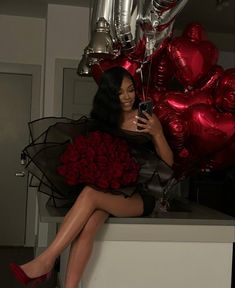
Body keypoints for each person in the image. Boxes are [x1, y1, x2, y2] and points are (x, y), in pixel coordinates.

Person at [10, 66, 174, 288]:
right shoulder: (104, 122)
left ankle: (46, 260)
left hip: (140, 196)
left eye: (130, 90)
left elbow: (168, 164)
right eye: (119, 92)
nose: (127, 97)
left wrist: (157, 133)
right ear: (108, 95)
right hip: (110, 192)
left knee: (90, 195)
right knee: (87, 227)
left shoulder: (148, 120)